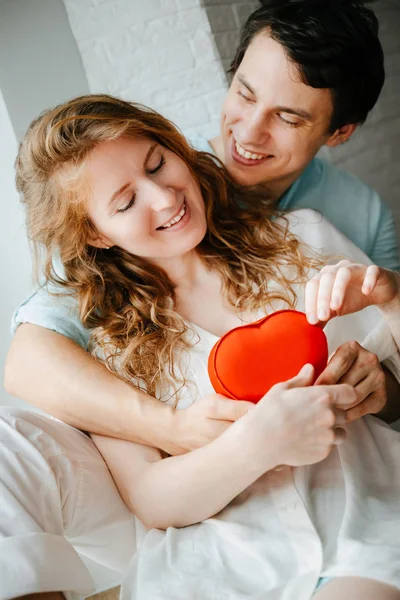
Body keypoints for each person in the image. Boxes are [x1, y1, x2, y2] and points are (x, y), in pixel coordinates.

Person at [2, 94, 400, 600]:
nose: (165, 199)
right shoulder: (110, 344)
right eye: (126, 203)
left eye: (157, 164)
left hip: (367, 520)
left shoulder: (305, 236)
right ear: (95, 235)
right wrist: (254, 446)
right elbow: (153, 498)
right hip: (223, 563)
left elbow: (394, 389)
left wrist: (390, 312)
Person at [4, 0, 400, 455]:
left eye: (288, 117)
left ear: (339, 132)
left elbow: (391, 369)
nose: (248, 133)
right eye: (245, 94)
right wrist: (170, 430)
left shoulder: (363, 214)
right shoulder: (151, 183)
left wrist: (382, 387)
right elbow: (28, 362)